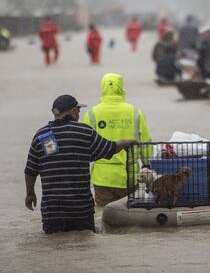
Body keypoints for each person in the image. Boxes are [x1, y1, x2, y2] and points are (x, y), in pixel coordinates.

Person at [24, 94, 140, 234]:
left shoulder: (42, 136)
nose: (79, 113)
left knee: (54, 248)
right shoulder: (84, 132)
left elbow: (30, 170)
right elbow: (110, 148)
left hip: (53, 211)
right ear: (72, 111)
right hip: (80, 209)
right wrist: (128, 141)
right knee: (84, 246)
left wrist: (30, 194)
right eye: (78, 110)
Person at [82, 73, 152, 206]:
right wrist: (147, 165)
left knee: (104, 215)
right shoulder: (135, 112)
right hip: (130, 176)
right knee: (131, 215)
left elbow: (84, 147)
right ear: (121, 87)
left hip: (103, 178)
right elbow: (146, 143)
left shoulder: (91, 114)